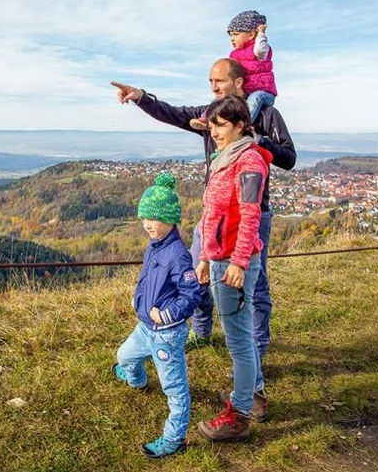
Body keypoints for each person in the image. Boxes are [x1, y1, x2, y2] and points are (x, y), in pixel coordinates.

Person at [111, 59, 296, 398]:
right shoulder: (213, 114)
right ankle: (202, 329)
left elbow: (288, 157)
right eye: (210, 81)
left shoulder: (265, 116)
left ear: (239, 83)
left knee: (255, 288)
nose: (213, 86)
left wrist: (256, 140)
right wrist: (140, 97)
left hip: (250, 217)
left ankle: (255, 354)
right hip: (214, 217)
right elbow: (174, 113)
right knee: (194, 272)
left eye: (219, 80)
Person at [194, 95, 271, 441]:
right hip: (220, 258)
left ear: (241, 125)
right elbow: (213, 215)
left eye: (221, 125)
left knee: (239, 340)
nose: (214, 132)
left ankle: (239, 414)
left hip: (234, 263)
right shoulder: (224, 158)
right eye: (211, 125)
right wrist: (206, 256)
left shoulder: (249, 161)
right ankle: (245, 397)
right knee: (239, 337)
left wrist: (238, 262)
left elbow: (250, 215)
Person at [113, 173, 201, 458]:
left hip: (166, 333)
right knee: (124, 357)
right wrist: (139, 301)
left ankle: (174, 438)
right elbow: (148, 279)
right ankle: (136, 380)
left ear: (170, 219)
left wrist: (165, 315)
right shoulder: (155, 244)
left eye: (152, 218)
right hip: (145, 327)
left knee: (174, 389)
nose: (146, 224)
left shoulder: (178, 254)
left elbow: (192, 295)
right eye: (143, 218)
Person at [191, 10, 277, 129]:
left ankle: (243, 126)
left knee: (254, 100)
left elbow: (260, 49)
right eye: (231, 35)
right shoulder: (234, 54)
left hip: (264, 92)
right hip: (246, 91)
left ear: (251, 35)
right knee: (219, 99)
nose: (232, 38)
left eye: (236, 34)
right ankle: (206, 119)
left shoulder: (260, 51)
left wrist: (261, 33)